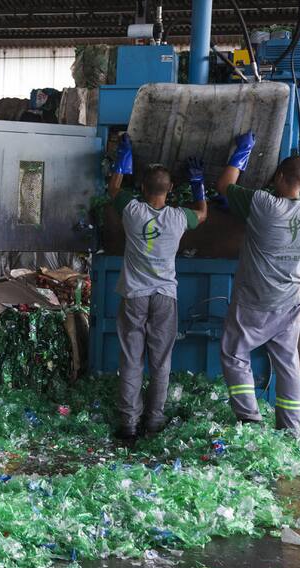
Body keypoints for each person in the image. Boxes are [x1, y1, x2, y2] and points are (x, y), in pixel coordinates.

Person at [216, 132, 300, 437]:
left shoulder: (262, 204)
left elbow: (224, 186)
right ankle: (291, 429)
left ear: (279, 176)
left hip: (254, 302)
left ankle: (249, 418)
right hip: (289, 302)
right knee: (287, 363)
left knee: (234, 354)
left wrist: (241, 152)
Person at [108, 133, 208, 440]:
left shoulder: (133, 212)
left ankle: (128, 422)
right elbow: (203, 214)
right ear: (171, 190)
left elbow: (114, 189)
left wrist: (123, 159)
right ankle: (154, 419)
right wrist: (198, 183)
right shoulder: (179, 218)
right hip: (165, 296)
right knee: (161, 361)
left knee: (131, 359)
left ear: (142, 189)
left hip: (134, 295)